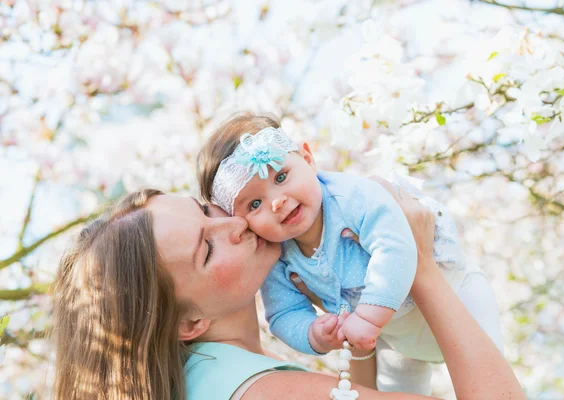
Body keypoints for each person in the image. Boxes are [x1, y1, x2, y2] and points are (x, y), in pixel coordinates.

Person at [51, 182, 525, 399]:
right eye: (206, 250)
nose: (236, 223)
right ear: (189, 323)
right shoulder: (257, 391)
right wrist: (419, 267)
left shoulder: (207, 382)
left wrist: (354, 308)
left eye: (206, 211)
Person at [196, 113, 503, 394]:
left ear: (308, 158)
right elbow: (282, 313)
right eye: (254, 204)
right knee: (397, 390)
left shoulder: (350, 197)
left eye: (280, 177)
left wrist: (368, 317)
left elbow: (395, 246)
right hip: (395, 339)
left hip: (456, 293)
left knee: (488, 364)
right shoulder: (276, 257)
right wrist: (314, 333)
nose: (276, 201)